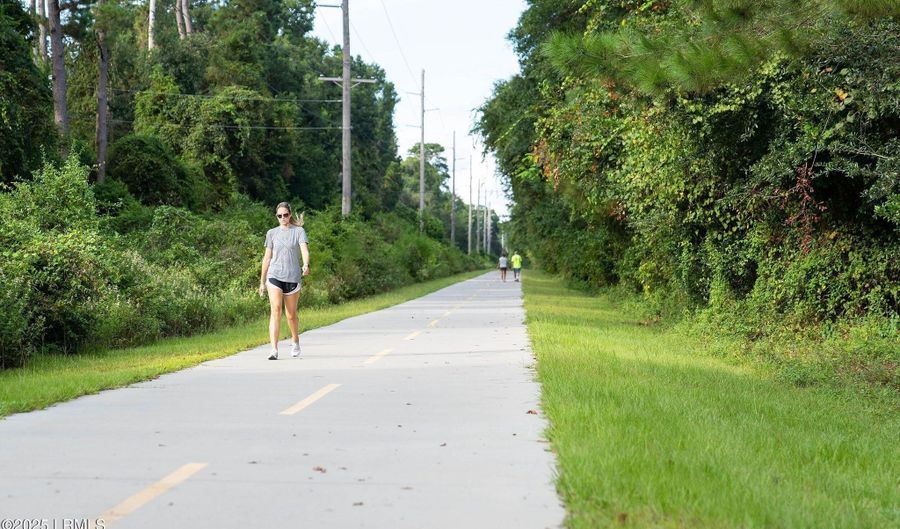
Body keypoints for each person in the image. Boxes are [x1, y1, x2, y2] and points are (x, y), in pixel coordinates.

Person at [259, 202, 310, 360]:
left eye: (285, 215)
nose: (283, 218)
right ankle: (273, 349)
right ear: (277, 217)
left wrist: (306, 264)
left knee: (291, 315)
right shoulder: (271, 233)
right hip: (274, 276)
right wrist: (262, 282)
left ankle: (295, 341)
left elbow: (304, 250)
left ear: (290, 215)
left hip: (292, 277)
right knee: (275, 309)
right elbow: (267, 258)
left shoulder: (299, 231)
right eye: (279, 216)